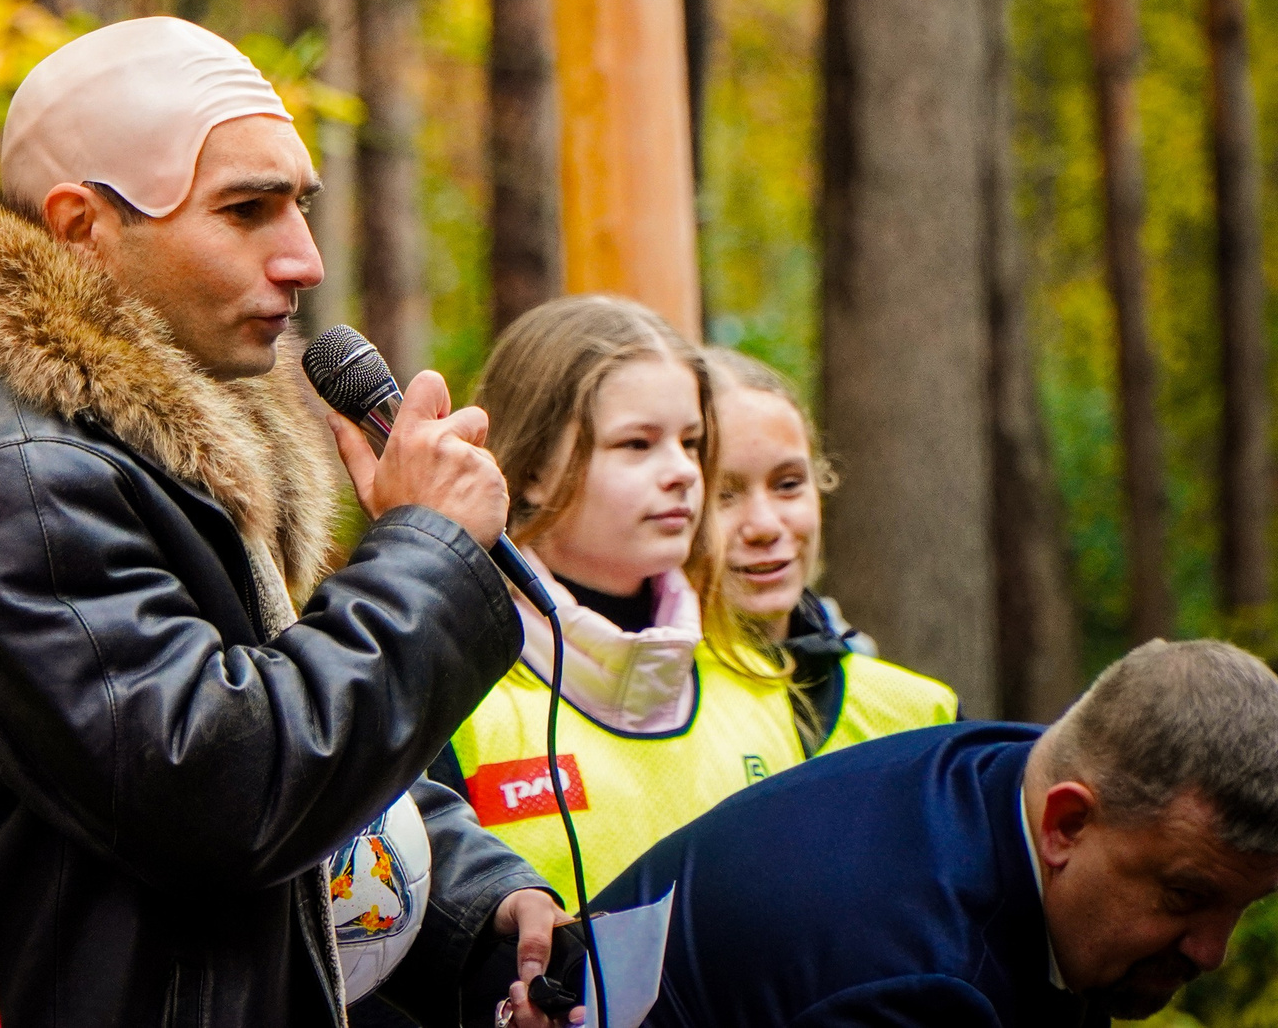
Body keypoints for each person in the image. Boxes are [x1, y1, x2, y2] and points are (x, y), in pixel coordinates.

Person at [0, 17, 577, 1028]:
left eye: (296, 206)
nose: (302, 259)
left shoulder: (165, 431)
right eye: (247, 210)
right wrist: (424, 556)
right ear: (83, 228)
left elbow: (285, 709)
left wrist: (471, 904)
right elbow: (225, 788)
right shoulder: (29, 478)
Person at [600, 638, 1278, 1026]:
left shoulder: (1007, 766)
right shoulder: (921, 983)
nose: (1212, 950)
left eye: (1244, 905)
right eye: (1186, 895)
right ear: (1066, 824)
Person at [434, 296, 798, 901]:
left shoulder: (761, 682)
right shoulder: (449, 691)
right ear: (531, 469)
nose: (682, 471)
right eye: (637, 444)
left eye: (691, 442)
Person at [707, 347, 958, 755]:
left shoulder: (920, 714)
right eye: (723, 495)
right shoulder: (633, 714)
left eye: (788, 484)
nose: (765, 526)